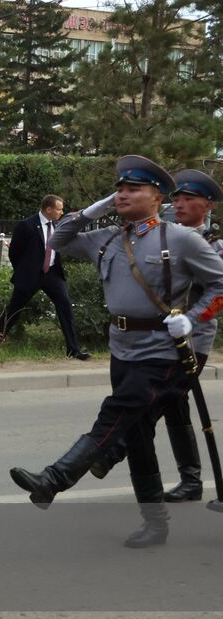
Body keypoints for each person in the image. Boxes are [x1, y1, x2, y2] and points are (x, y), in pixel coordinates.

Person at [9, 156, 223, 547]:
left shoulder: (181, 239)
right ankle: (155, 521)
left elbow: (220, 284)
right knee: (138, 433)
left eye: (133, 189)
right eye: (119, 188)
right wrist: (98, 207)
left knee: (118, 411)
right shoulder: (108, 237)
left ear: (157, 197)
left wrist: (193, 318)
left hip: (162, 349)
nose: (123, 194)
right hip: (122, 348)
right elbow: (57, 241)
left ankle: (55, 479)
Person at [90, 169, 223, 502]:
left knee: (154, 403)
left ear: (206, 205)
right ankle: (191, 479)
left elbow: (215, 292)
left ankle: (112, 449)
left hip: (194, 336)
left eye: (188, 199)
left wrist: (193, 321)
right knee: (175, 405)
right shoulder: (160, 235)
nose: (179, 204)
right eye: (176, 197)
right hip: (157, 340)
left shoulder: (213, 244)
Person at [0, 194, 89, 360]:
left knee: (65, 305)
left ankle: (73, 350)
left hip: (52, 274)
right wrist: (24, 271)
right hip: (31, 275)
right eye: (59, 209)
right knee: (14, 308)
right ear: (48, 209)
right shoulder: (26, 225)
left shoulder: (58, 225)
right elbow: (14, 252)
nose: (61, 212)